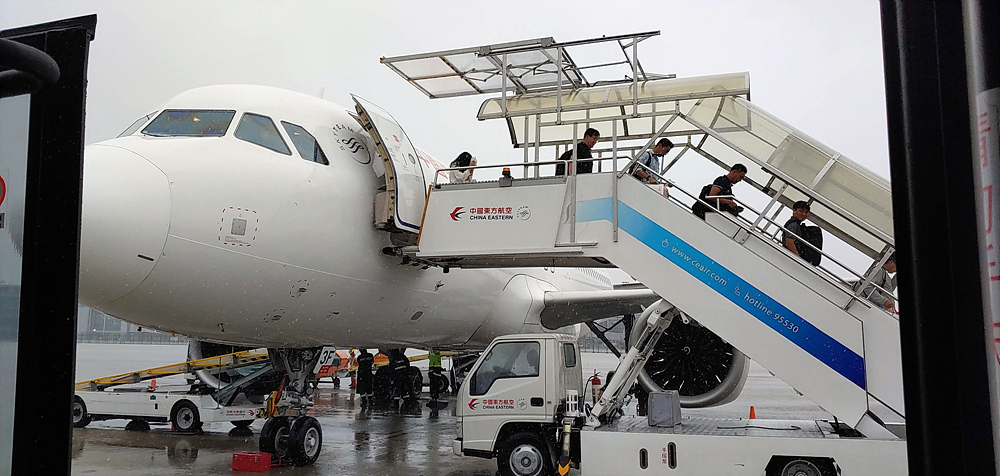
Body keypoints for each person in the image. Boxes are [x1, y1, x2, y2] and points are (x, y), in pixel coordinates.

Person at [355, 348, 374, 414]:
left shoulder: (359, 357)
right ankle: (370, 401)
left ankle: (364, 402)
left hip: (362, 375)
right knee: (369, 389)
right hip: (368, 374)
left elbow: (359, 364)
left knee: (362, 389)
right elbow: (372, 362)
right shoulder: (370, 355)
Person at [427, 349, 445, 415]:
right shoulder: (437, 355)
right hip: (437, 373)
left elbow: (431, 364)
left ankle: (433, 402)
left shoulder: (433, 356)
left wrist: (430, 372)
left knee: (433, 387)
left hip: (434, 373)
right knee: (435, 387)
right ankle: (435, 401)